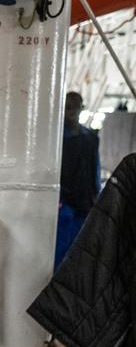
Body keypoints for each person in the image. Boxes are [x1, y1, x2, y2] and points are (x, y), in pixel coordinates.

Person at [57, 91, 100, 269]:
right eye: (68, 106)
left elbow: (95, 167)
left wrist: (95, 195)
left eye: (75, 106)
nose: (71, 110)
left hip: (84, 203)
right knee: (60, 249)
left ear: (81, 108)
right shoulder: (57, 138)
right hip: (63, 203)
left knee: (79, 249)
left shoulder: (90, 137)